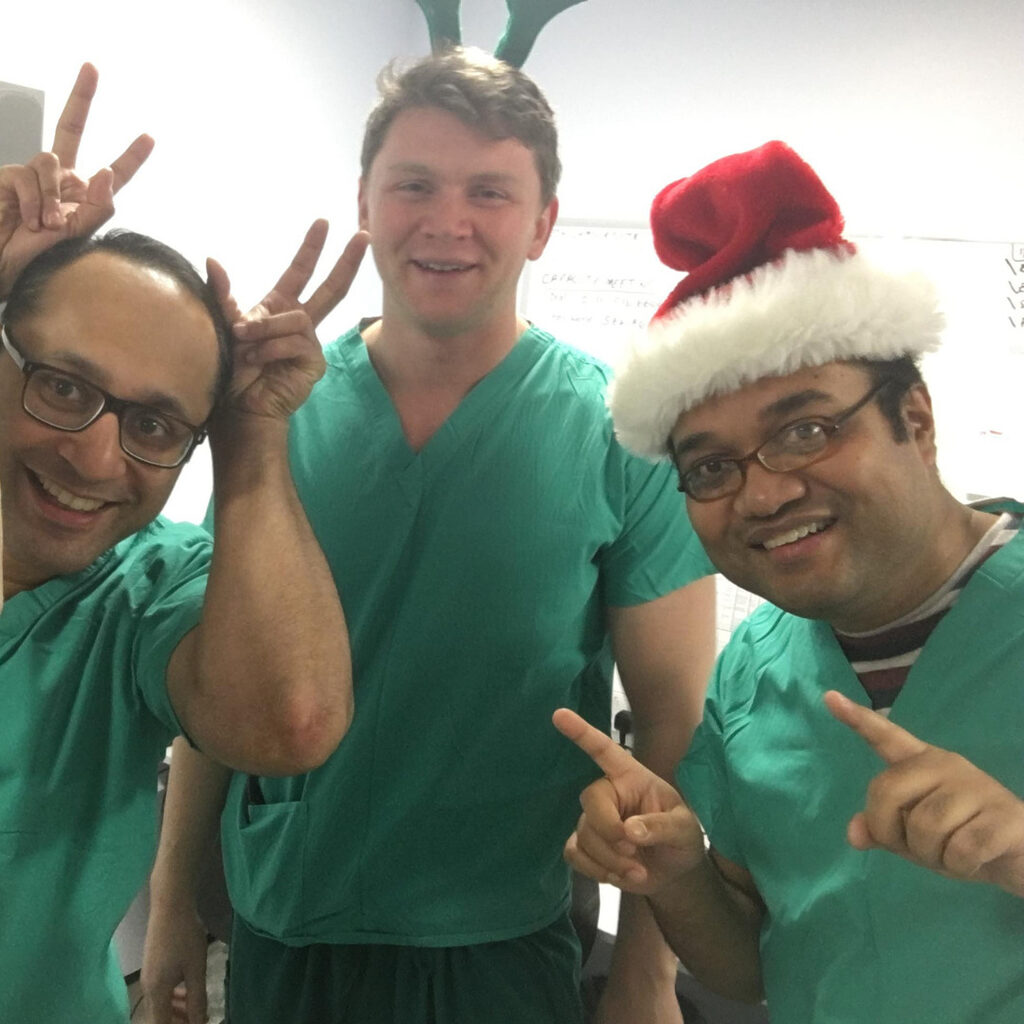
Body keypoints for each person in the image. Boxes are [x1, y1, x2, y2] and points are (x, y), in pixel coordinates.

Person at [143, 47, 716, 1024]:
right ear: (365, 204)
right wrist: (168, 914)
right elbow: (218, 688)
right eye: (414, 184)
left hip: (496, 948)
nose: (446, 222)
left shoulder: (622, 434)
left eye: (489, 191)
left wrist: (645, 974)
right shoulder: (277, 410)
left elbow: (670, 727)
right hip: (285, 928)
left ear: (541, 224)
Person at [555, 140, 1024, 1024]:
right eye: (712, 466)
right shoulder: (751, 677)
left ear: (914, 420)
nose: (764, 492)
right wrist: (680, 872)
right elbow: (750, 971)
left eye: (806, 430)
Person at [0, 65, 361, 1023]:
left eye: (157, 425)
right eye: (64, 387)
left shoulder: (145, 589)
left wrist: (251, 442)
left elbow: (291, 724)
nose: (94, 454)